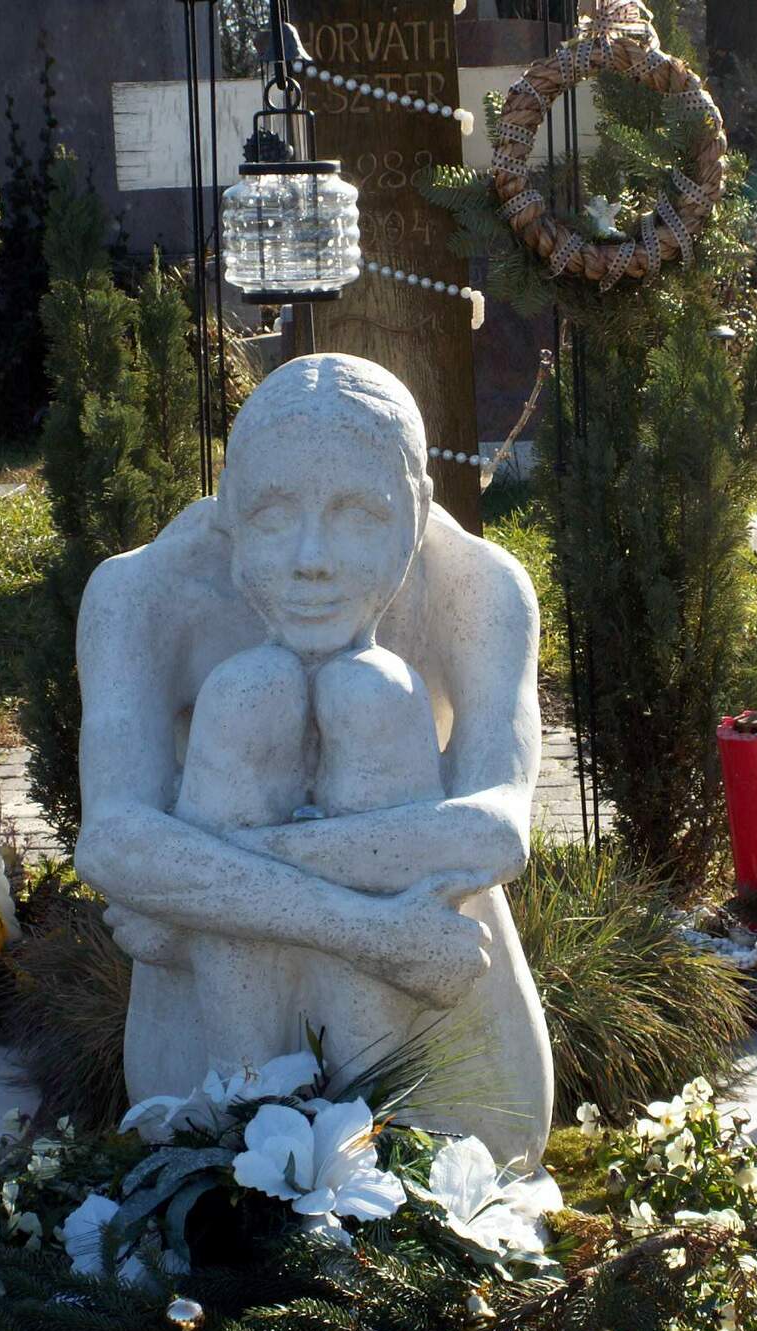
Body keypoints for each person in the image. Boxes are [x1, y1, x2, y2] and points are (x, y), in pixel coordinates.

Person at [75, 353, 553, 1165]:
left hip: (449, 1066)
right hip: (210, 1052)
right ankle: (245, 1113)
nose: (312, 557)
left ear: (416, 509)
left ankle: (383, 1118)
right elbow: (112, 840)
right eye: (272, 515)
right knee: (249, 693)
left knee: (372, 696)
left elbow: (495, 831)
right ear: (230, 508)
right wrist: (374, 931)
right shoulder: (143, 593)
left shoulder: (478, 587)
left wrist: (191, 880)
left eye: (357, 514)